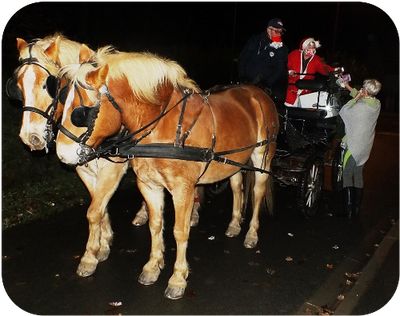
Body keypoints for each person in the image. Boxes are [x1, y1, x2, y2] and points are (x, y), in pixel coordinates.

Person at [338, 79, 382, 219]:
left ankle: (348, 210)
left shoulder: (360, 107)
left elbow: (344, 111)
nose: (360, 89)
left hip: (353, 145)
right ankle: (356, 209)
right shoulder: (376, 104)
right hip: (365, 146)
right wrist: (347, 86)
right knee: (358, 174)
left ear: (365, 91)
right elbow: (362, 97)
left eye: (362, 88)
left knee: (347, 174)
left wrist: (356, 98)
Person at [238, 18, 288, 105]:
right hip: (246, 81)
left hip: (265, 84)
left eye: (280, 31)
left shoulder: (282, 48)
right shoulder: (255, 40)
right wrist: (242, 76)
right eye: (276, 31)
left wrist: (267, 83)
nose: (279, 34)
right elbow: (243, 58)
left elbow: (279, 69)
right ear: (269, 30)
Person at [285, 37, 336, 107]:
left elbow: (324, 68)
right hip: (290, 91)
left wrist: (334, 71)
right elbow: (284, 66)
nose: (311, 49)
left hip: (306, 93)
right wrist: (289, 71)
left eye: (313, 47)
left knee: (304, 113)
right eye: (309, 46)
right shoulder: (294, 54)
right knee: (288, 111)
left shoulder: (316, 59)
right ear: (304, 46)